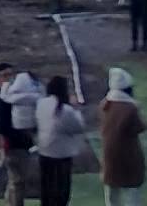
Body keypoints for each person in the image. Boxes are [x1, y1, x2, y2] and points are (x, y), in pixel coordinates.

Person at [36, 75, 86, 206]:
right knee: (61, 192)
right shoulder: (66, 110)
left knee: (46, 190)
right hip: (62, 156)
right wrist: (77, 109)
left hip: (44, 153)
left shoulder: (42, 103)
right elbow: (78, 127)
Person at [100, 67, 147, 206]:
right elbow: (139, 128)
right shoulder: (130, 108)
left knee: (112, 196)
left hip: (109, 156)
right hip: (128, 157)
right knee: (132, 194)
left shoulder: (105, 105)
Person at [0, 68, 41, 206]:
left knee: (15, 182)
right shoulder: (4, 102)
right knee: (18, 182)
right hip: (14, 145)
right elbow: (2, 126)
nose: (8, 79)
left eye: (10, 75)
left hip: (18, 144)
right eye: (5, 75)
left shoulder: (7, 98)